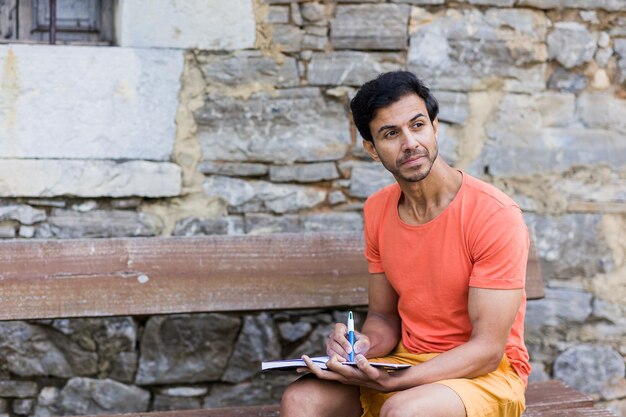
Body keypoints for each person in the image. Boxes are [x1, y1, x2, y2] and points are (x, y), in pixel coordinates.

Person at [280, 70, 530, 417]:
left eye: (417, 125)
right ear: (371, 148)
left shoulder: (493, 214)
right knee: (302, 399)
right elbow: (383, 316)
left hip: (483, 375)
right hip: (404, 363)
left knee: (403, 411)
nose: (410, 142)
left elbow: (487, 350)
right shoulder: (378, 208)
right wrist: (361, 346)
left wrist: (396, 381)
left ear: (434, 126)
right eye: (390, 133)